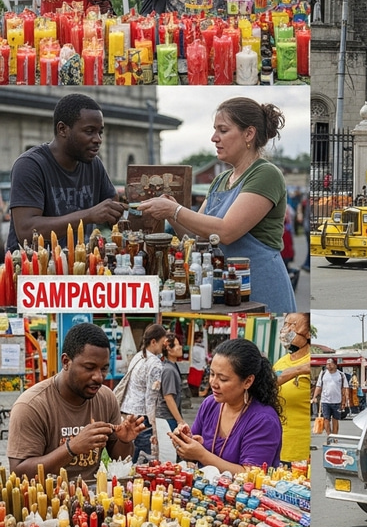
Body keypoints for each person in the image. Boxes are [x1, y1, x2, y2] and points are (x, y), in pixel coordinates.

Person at [139, 98, 296, 312]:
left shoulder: (265, 174)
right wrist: (171, 213)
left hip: (260, 287)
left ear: (249, 134)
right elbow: (197, 237)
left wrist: (176, 210)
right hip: (227, 288)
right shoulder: (221, 179)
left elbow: (227, 232)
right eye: (215, 131)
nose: (214, 138)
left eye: (223, 130)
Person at [7, 323, 143, 482]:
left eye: (104, 368)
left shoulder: (106, 398)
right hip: (46, 501)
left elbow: (119, 459)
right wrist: (71, 448)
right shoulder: (31, 406)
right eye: (89, 367)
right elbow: (18, 473)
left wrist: (124, 441)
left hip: (92, 497)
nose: (99, 377)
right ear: (66, 361)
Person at [7, 93, 124, 251]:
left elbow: (113, 210)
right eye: (89, 131)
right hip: (32, 271)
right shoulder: (30, 165)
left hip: (77, 268)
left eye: (100, 132)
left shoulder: (94, 165)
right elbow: (27, 231)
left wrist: (142, 205)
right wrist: (88, 215)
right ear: (62, 129)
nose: (98, 139)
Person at [170, 339, 282, 473]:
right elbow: (193, 455)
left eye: (223, 379)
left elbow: (250, 474)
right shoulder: (210, 404)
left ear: (247, 381)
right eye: (211, 374)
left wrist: (201, 454)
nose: (213, 383)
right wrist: (185, 442)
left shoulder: (263, 420)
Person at [119, 323, 169, 463]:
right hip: (142, 416)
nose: (163, 347)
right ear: (153, 342)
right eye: (162, 343)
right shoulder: (155, 364)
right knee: (143, 458)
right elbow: (151, 398)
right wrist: (153, 427)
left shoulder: (138, 356)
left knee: (129, 453)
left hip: (127, 411)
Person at [272, 313, 311, 464]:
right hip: (278, 447)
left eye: (292, 325)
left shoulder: (312, 362)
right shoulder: (281, 363)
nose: (286, 330)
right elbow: (268, 385)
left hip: (302, 452)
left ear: (308, 333)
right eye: (285, 325)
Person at [155, 333, 185, 463]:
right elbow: (168, 397)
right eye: (177, 344)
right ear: (169, 349)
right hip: (166, 418)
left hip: (167, 417)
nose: (180, 347)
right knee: (168, 457)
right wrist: (180, 421)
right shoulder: (169, 370)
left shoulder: (172, 366)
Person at [313, 358, 348, 439]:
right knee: (326, 419)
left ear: (335, 365)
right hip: (325, 401)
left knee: (335, 420)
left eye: (330, 364)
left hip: (337, 401)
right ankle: (329, 436)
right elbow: (318, 386)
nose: (328, 366)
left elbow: (344, 389)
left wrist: (344, 402)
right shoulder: (323, 374)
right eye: (327, 364)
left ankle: (335, 437)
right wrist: (314, 397)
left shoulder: (341, 375)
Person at [188, 332, 208, 397]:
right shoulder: (202, 349)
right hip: (199, 368)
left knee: (192, 384)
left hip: (193, 367)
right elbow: (203, 358)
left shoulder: (192, 347)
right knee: (196, 384)